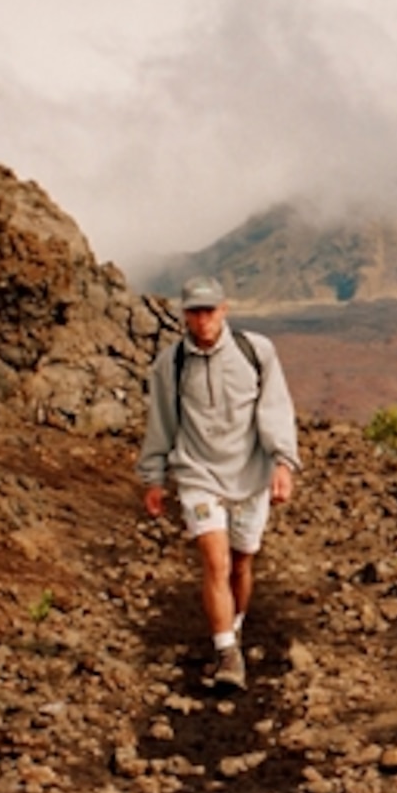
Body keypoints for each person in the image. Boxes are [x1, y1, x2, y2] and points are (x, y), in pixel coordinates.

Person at [136, 275, 299, 691]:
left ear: (224, 309)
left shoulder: (256, 352)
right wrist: (154, 477)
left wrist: (283, 463)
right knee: (216, 561)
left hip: (250, 475)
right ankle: (227, 653)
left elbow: (275, 408)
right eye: (194, 311)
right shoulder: (170, 366)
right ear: (184, 315)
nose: (203, 319)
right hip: (197, 475)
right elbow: (161, 425)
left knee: (242, 562)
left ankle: (236, 625)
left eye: (209, 310)